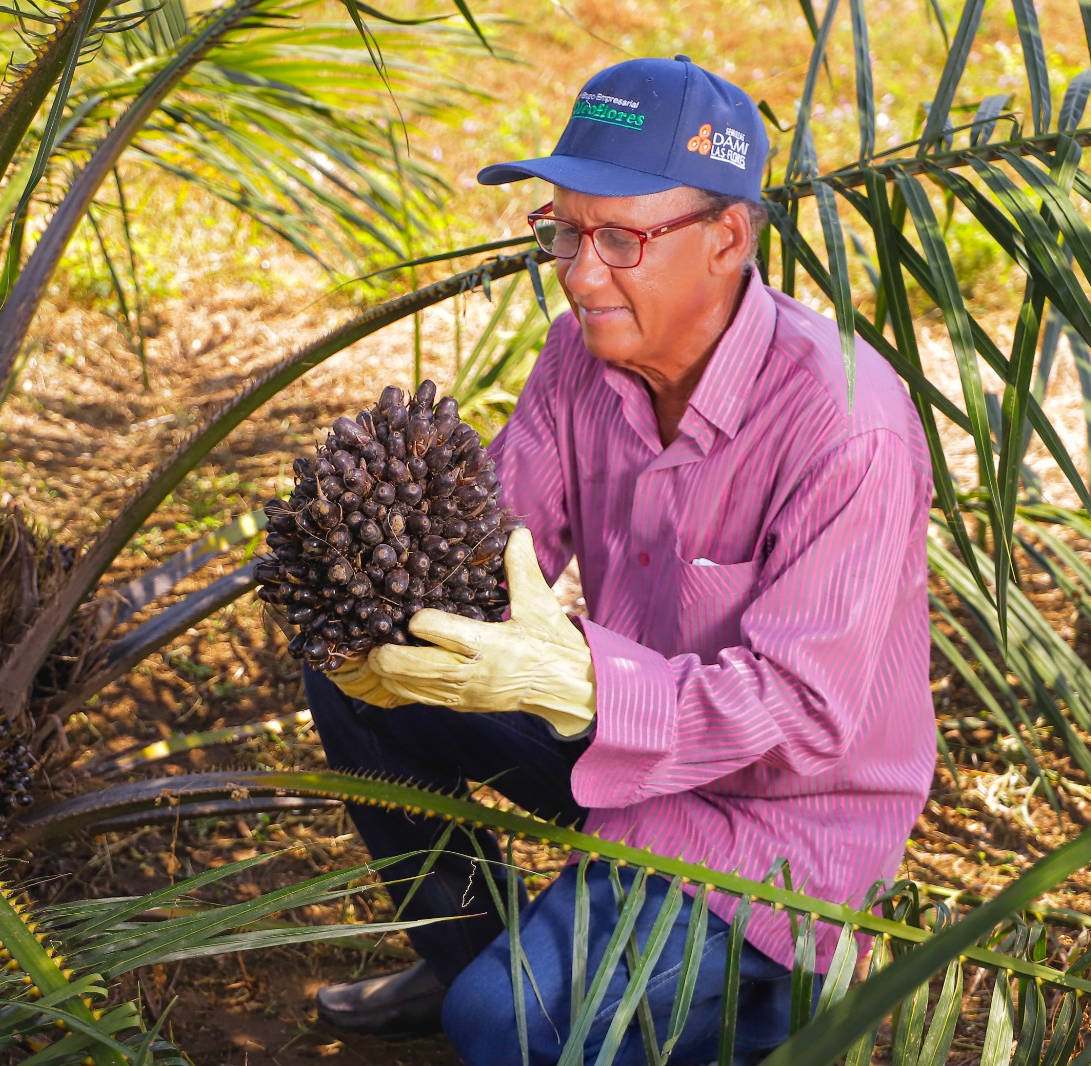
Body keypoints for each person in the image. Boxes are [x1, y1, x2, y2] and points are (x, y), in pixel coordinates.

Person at [303, 55, 936, 1065]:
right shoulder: (579, 358)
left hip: (775, 831)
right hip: (625, 746)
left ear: (727, 238)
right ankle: (470, 946)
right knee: (359, 669)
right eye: (560, 229)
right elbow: (491, 541)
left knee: (501, 1028)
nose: (579, 269)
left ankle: (764, 1009)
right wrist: (370, 565)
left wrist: (586, 686)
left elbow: (805, 715)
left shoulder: (846, 426)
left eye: (618, 238)